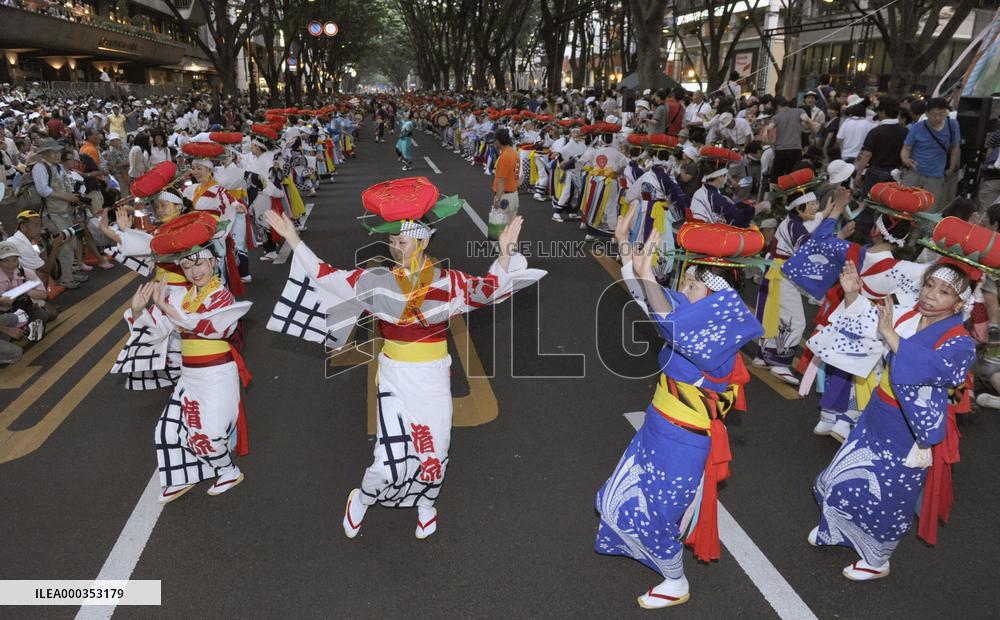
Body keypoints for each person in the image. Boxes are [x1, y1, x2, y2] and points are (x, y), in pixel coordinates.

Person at [264, 177, 544, 540]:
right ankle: (362, 498)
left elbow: (487, 291)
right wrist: (293, 239)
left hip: (432, 378)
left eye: (403, 241)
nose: (396, 248)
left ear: (424, 241)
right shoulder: (375, 281)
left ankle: (426, 505)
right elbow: (327, 277)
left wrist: (505, 253)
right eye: (392, 241)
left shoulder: (448, 282)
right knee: (388, 461)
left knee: (434, 452)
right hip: (395, 377)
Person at [596, 216, 762, 609]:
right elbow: (649, 299)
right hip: (658, 429)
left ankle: (675, 580)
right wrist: (624, 244)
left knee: (658, 514)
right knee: (615, 498)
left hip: (683, 441)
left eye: (692, 285)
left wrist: (647, 275)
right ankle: (658, 563)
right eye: (684, 282)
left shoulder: (717, 338)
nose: (682, 291)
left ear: (718, 300)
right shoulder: (694, 320)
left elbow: (669, 321)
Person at [808, 260, 976, 581]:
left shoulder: (960, 341)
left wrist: (890, 334)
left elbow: (935, 368)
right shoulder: (907, 316)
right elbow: (866, 323)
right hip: (877, 413)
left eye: (944, 292)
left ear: (959, 304)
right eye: (929, 285)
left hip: (910, 428)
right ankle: (836, 529)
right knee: (841, 475)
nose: (931, 295)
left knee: (889, 494)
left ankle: (876, 559)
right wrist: (851, 294)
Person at [116, 213, 251, 503]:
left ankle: (227, 471)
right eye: (187, 266)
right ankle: (181, 477)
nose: (193, 271)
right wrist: (138, 310)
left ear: (213, 262)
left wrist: (169, 309)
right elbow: (158, 331)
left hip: (217, 375)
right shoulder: (183, 297)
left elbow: (212, 328)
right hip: (189, 376)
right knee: (168, 430)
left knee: (210, 434)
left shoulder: (222, 296)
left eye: (199, 263)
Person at [30, 139, 83, 290]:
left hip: (63, 211)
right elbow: (43, 190)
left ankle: (69, 273)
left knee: (70, 242)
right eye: (52, 152)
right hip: (51, 213)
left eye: (57, 151)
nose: (57, 154)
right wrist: (66, 197)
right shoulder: (40, 167)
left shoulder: (57, 166)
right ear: (44, 154)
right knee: (63, 244)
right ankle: (66, 279)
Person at [900, 97, 961, 211]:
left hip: (936, 177)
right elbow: (906, 148)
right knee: (905, 206)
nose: (937, 118)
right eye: (934, 114)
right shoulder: (917, 127)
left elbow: (955, 148)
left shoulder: (952, 125)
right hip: (914, 172)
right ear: (926, 113)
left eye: (941, 114)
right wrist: (905, 160)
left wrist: (951, 168)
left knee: (929, 209)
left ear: (946, 112)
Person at [492, 127, 519, 222]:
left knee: (498, 228)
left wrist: (497, 199)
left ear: (497, 141)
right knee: (510, 228)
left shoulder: (504, 157)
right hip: (514, 195)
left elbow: (501, 180)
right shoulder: (514, 153)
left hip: (504, 197)